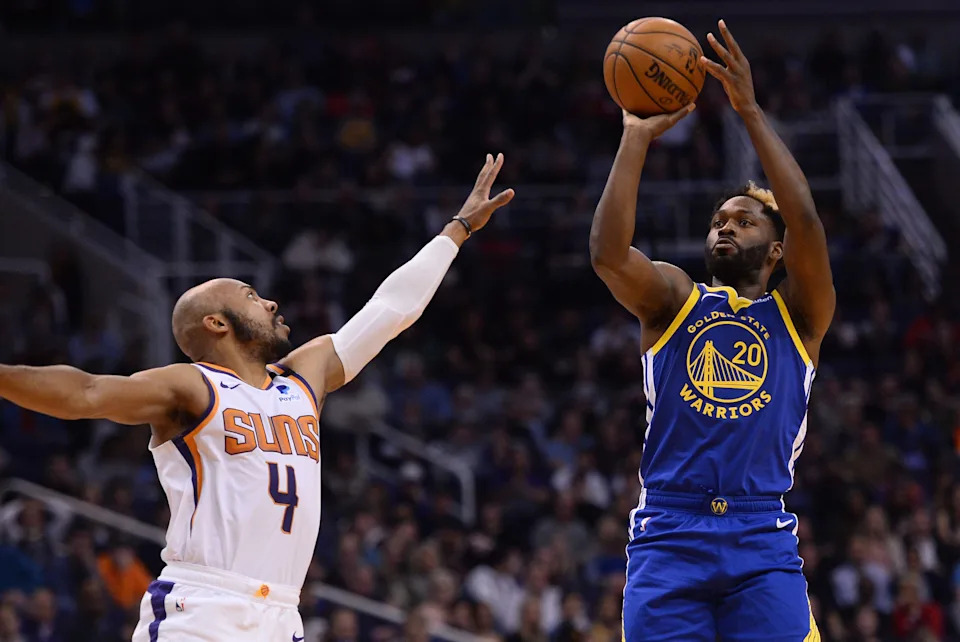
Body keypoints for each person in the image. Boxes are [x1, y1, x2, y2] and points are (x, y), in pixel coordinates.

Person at [0, 154, 515, 641]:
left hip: (282, 612)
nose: (269, 300)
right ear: (217, 323)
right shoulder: (191, 385)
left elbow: (390, 309)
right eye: (250, 295)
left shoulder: (303, 378)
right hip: (202, 607)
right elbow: (86, 391)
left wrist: (457, 230)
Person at [589, 20, 835, 642]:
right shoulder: (674, 298)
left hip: (761, 537)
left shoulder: (801, 315)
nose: (724, 228)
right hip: (671, 533)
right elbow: (608, 255)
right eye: (718, 220)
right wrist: (634, 139)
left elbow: (804, 216)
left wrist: (748, 111)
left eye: (744, 222)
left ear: (777, 250)